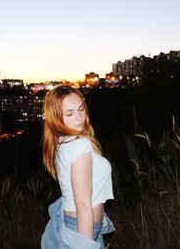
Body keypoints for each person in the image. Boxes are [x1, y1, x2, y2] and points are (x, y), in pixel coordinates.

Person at [41, 85, 115, 249]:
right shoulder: (80, 145)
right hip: (81, 230)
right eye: (69, 113)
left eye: (81, 109)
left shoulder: (62, 141)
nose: (79, 117)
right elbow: (82, 204)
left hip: (78, 226)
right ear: (56, 117)